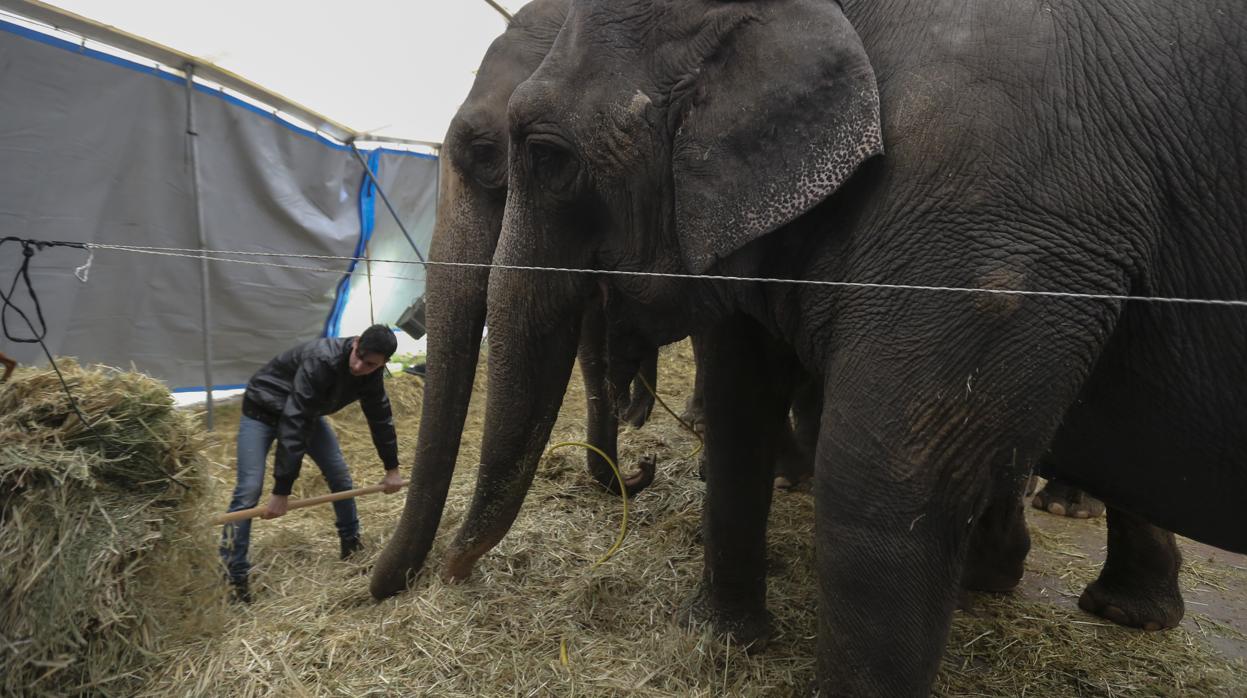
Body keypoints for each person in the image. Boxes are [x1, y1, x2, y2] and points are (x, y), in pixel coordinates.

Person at [219, 324, 405, 602]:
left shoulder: (372, 376)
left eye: (369, 364)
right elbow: (294, 425)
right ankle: (233, 576)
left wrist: (392, 469)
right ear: (355, 342)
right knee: (249, 489)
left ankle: (351, 544)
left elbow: (380, 418)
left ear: (383, 364)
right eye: (358, 356)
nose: (358, 366)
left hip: (305, 412)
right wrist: (281, 492)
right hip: (262, 410)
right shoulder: (322, 359)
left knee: (340, 476)